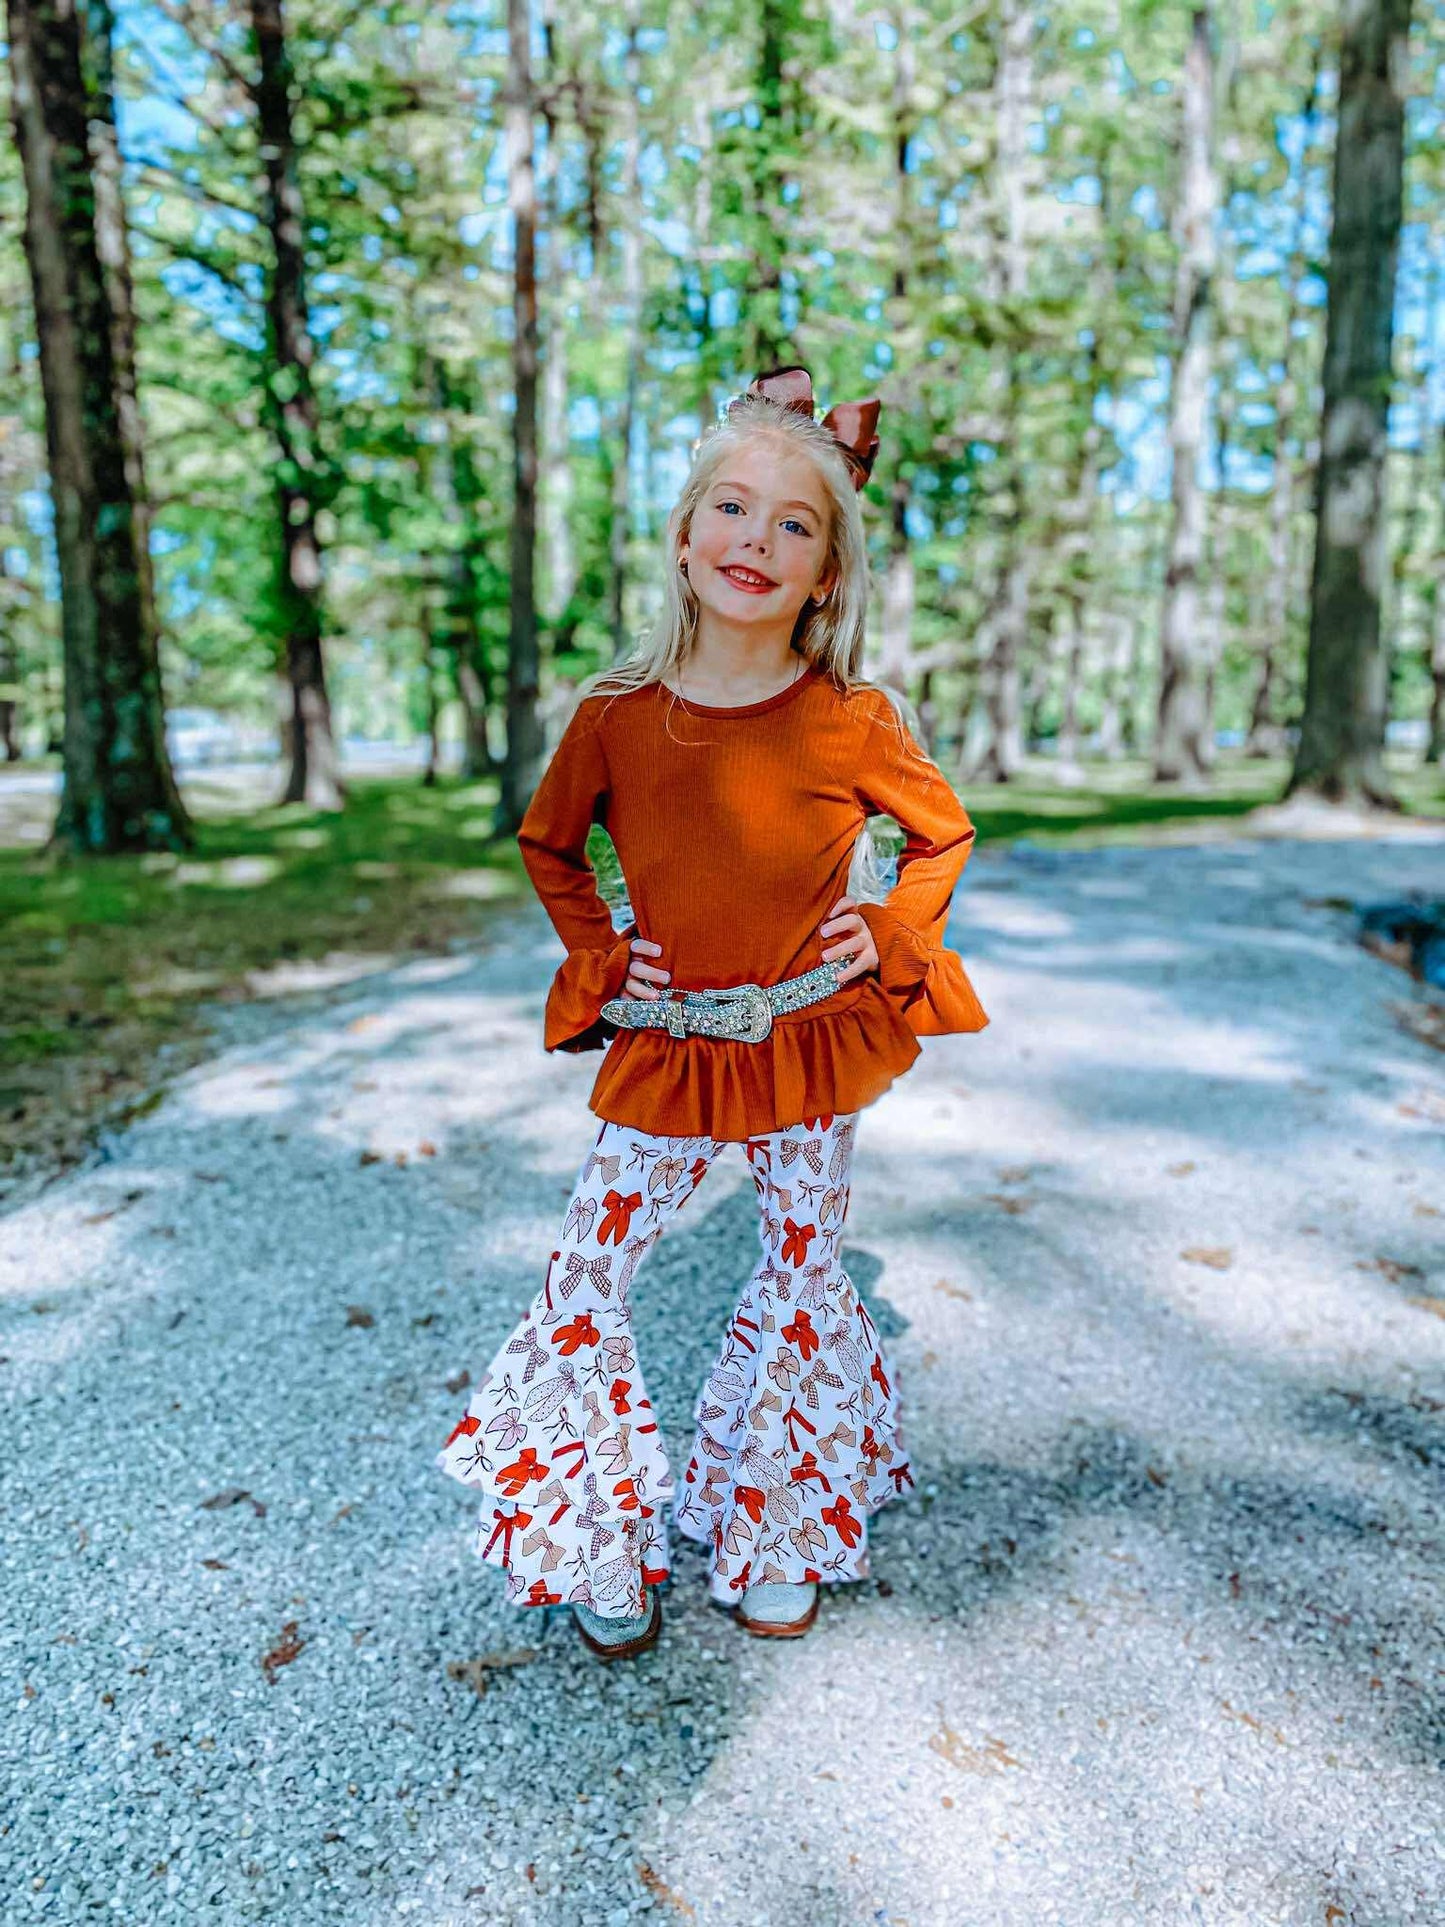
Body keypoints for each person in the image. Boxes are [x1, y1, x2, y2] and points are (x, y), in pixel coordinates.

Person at [435, 364, 989, 1660]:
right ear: (684, 538)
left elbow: (941, 833)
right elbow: (549, 845)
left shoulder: (851, 719)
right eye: (730, 509)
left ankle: (776, 1529)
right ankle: (591, 1537)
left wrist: (897, 930)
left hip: (804, 1041)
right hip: (672, 1045)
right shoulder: (617, 716)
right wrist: (600, 955)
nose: (757, 539)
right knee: (587, 1275)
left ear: (825, 575)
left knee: (799, 1270)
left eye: (794, 524)